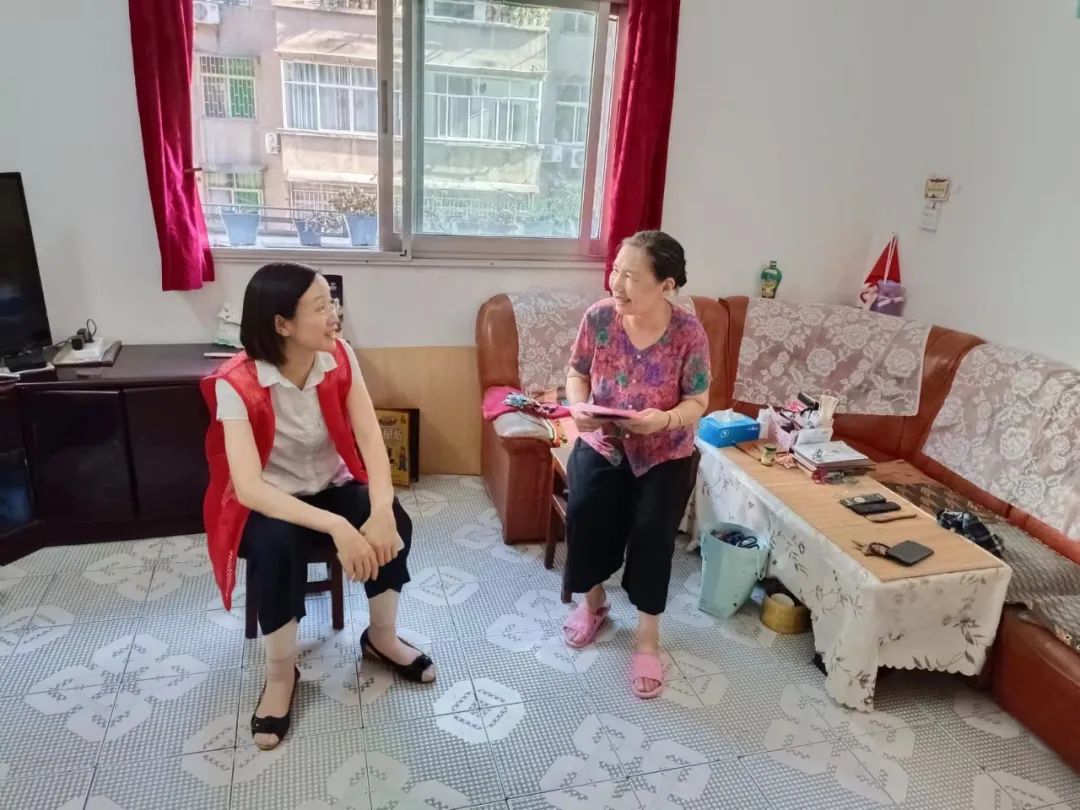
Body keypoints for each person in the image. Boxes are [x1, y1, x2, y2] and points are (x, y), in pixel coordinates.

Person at [202, 262, 435, 751]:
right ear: (282, 324)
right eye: (320, 307)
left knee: (396, 521)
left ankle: (381, 637)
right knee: (276, 547)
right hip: (271, 501)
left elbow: (370, 438)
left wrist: (381, 509)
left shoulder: (340, 356)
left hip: (330, 485)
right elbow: (249, 488)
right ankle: (281, 673)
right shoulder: (236, 382)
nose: (335, 315)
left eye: (332, 302)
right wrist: (337, 527)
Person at [561, 231, 711, 699]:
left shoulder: (688, 332)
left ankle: (647, 638)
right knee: (583, 513)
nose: (616, 283)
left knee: (653, 533)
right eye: (615, 270)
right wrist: (578, 406)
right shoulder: (599, 317)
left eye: (630, 275)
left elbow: (698, 400)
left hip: (664, 450)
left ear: (666, 285)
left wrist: (662, 420)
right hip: (604, 441)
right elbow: (577, 373)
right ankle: (594, 604)